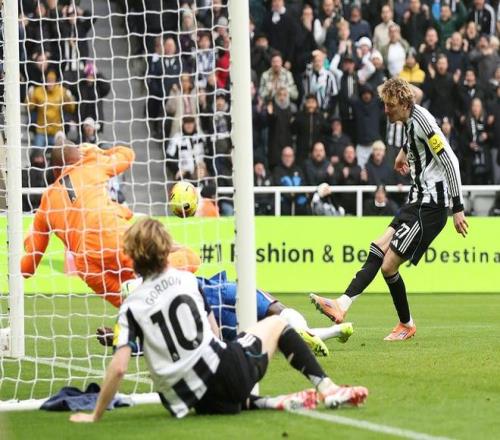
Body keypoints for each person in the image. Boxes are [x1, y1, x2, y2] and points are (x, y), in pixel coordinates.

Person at [70, 218, 368, 422]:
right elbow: (213, 334)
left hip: (186, 401)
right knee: (277, 325)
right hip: (226, 376)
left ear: (132, 255)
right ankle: (328, 389)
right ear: (166, 250)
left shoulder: (131, 305)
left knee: (210, 378)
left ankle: (262, 402)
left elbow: (119, 367)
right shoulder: (188, 281)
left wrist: (96, 415)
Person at [310, 78, 468, 341]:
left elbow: (450, 161)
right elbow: (416, 139)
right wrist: (403, 152)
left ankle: (405, 324)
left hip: (431, 207)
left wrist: (458, 207)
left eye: (390, 105)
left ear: (404, 104)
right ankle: (342, 304)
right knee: (378, 246)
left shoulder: (423, 121)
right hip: (417, 200)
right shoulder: (410, 121)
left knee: (388, 266)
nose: (385, 110)